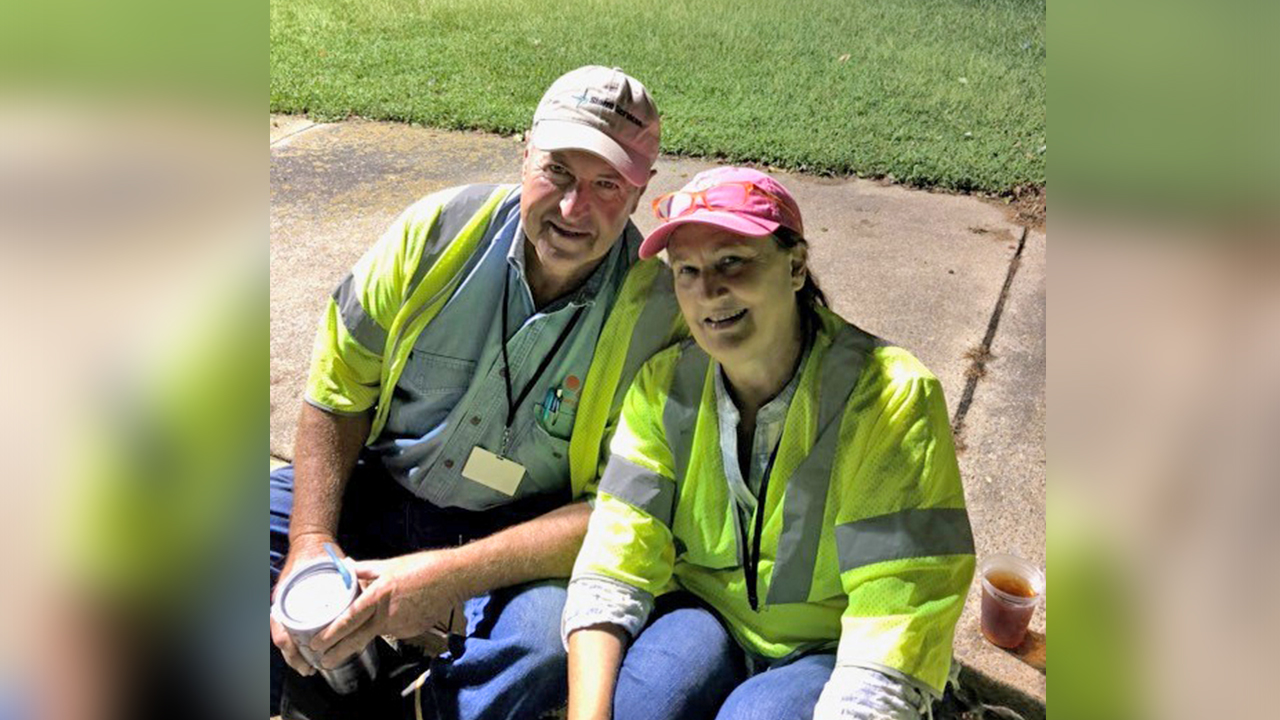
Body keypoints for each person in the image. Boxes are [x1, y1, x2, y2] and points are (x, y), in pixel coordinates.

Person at [270, 66, 685, 719]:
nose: (575, 208)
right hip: (380, 481)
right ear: (524, 155)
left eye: (606, 184)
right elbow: (334, 394)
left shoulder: (662, 321)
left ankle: (423, 704)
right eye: (557, 172)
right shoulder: (432, 233)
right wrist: (310, 544)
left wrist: (447, 579)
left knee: (549, 647)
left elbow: (621, 513)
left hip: (526, 531)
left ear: (640, 193)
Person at [562, 168, 976, 720]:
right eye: (687, 270)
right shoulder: (662, 387)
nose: (708, 290)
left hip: (832, 645)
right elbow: (613, 561)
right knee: (638, 704)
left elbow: (895, 621)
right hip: (711, 614)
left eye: (732, 260)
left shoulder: (889, 398)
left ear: (796, 265)